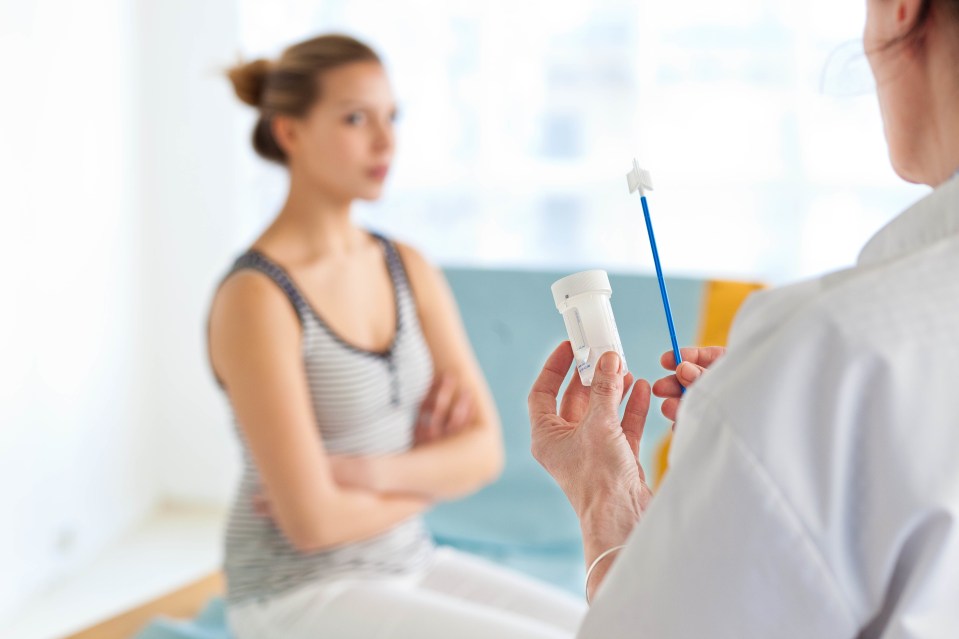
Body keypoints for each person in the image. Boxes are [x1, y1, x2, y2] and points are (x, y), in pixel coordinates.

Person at [528, 0, 959, 636]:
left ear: (899, 11)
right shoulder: (836, 359)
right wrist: (764, 414)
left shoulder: (832, 351)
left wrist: (606, 504)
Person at [208, 34, 586, 638]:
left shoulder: (407, 266)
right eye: (356, 118)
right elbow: (311, 524)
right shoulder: (257, 297)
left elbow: (484, 452)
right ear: (290, 132)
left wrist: (368, 474)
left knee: (614, 624)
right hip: (298, 591)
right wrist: (433, 474)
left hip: (411, 559)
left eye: (392, 117)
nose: (386, 142)